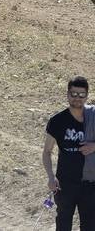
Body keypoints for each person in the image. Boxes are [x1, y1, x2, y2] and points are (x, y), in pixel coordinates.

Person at [43, 76, 95, 230]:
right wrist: (51, 177)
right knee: (63, 225)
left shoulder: (93, 116)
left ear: (87, 96)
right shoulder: (57, 121)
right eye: (73, 94)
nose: (77, 98)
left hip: (90, 185)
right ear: (67, 94)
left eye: (81, 94)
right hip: (65, 184)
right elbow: (47, 152)